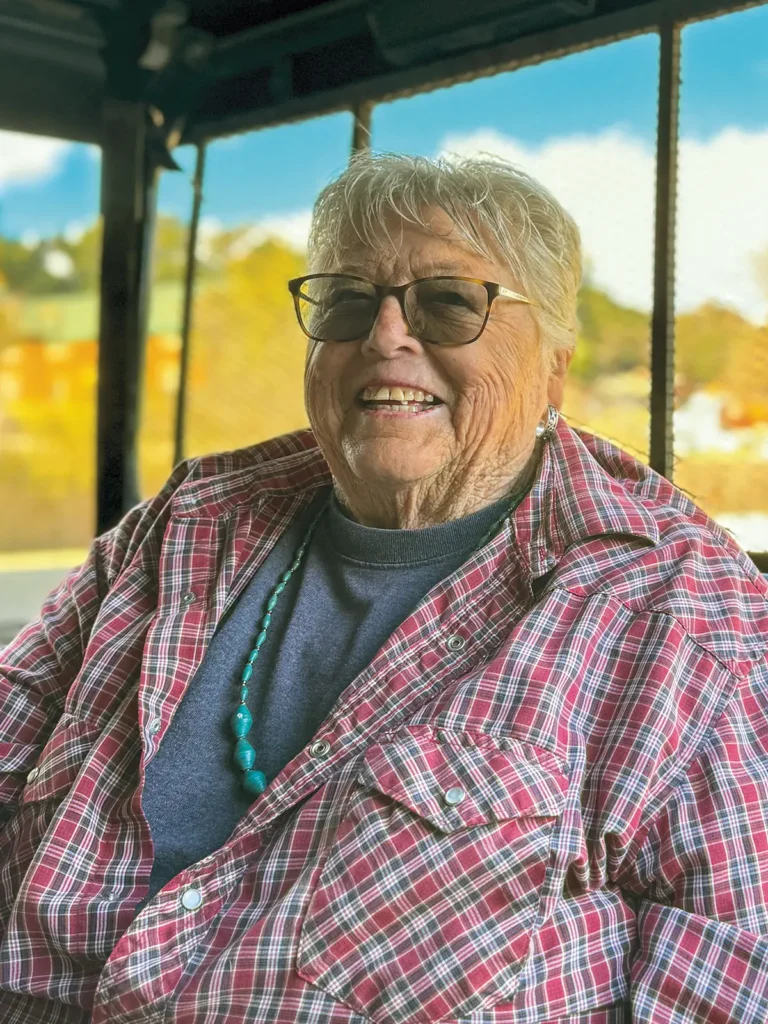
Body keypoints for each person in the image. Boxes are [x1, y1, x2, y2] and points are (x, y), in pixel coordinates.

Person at [0, 152, 766, 1024]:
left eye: (448, 301)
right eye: (349, 301)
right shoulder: (184, 523)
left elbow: (735, 975)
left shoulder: (681, 610)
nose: (385, 336)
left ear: (554, 361)